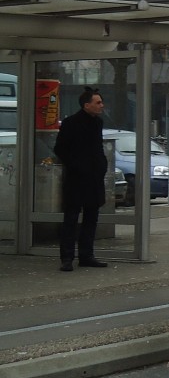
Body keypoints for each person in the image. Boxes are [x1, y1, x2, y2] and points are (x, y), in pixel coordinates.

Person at [54, 87, 109, 271]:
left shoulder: (97, 123)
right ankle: (67, 257)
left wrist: (101, 164)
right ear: (87, 105)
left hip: (94, 178)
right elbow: (60, 148)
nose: (101, 105)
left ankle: (86, 254)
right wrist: (75, 165)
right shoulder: (71, 123)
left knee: (91, 217)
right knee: (71, 218)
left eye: (101, 102)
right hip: (77, 179)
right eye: (98, 102)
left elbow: (97, 147)